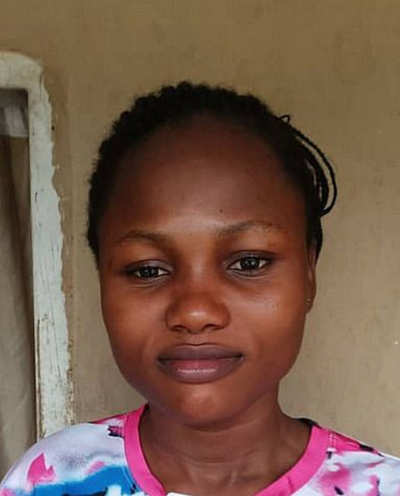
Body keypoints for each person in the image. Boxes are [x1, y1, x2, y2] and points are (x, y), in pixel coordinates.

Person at [1, 82, 399, 496]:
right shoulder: (51, 481)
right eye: (147, 270)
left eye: (249, 263)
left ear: (309, 273)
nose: (194, 312)